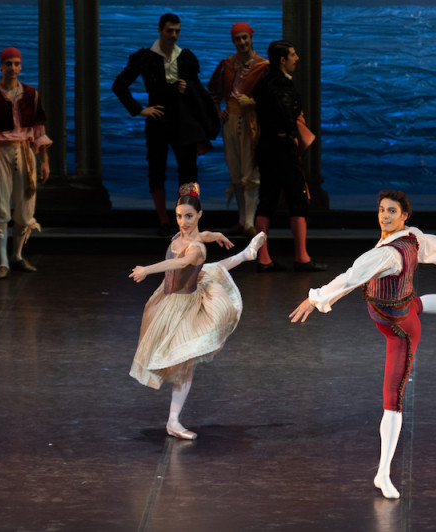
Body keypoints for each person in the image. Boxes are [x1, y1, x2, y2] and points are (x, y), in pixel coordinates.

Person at [290, 190, 436, 499]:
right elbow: (434, 245)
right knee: (417, 305)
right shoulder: (412, 238)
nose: (385, 216)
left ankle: (383, 473)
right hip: (400, 306)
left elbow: (350, 278)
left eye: (392, 211)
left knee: (392, 400)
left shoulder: (388, 254)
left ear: (405, 216)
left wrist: (314, 299)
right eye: (382, 210)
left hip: (400, 331)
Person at [129, 183, 266, 440]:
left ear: (199, 215)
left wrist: (147, 269)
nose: (183, 221)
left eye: (189, 216)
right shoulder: (188, 237)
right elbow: (204, 236)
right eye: (179, 216)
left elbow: (181, 261)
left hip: (186, 306)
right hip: (168, 301)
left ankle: (173, 421)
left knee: (185, 364)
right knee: (212, 270)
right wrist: (216, 235)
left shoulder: (195, 249)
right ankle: (246, 255)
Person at [112, 12, 219, 236]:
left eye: (177, 31)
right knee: (156, 169)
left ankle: (187, 220)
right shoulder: (146, 57)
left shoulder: (186, 57)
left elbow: (197, 89)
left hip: (184, 122)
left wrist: (187, 88)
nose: (173, 35)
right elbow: (119, 85)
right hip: (159, 120)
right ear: (160, 30)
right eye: (169, 31)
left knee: (189, 172)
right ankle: (163, 219)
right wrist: (140, 110)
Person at [252, 40, 326, 272]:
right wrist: (292, 136)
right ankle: (301, 258)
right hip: (282, 148)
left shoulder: (262, 83)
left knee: (266, 201)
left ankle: (263, 259)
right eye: (293, 55)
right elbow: (285, 115)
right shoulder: (282, 86)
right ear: (282, 60)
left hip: (265, 147)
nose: (297, 58)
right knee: (297, 202)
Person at [0, 47, 51, 279]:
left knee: (25, 209)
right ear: (1, 65)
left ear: (21, 66)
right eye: (8, 64)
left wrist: (44, 160)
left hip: (24, 152)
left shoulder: (30, 94)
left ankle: (16, 255)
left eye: (16, 64)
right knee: (0, 206)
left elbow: (39, 130)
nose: (12, 68)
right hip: (0, 152)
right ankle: (3, 261)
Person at [208, 22, 269, 238]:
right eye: (238, 39)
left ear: (251, 38)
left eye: (245, 38)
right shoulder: (227, 64)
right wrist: (218, 110)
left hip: (252, 121)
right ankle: (242, 220)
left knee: (250, 173)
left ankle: (250, 222)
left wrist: (252, 103)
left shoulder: (263, 66)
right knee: (236, 172)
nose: (242, 42)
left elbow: (271, 97)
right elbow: (213, 91)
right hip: (231, 120)